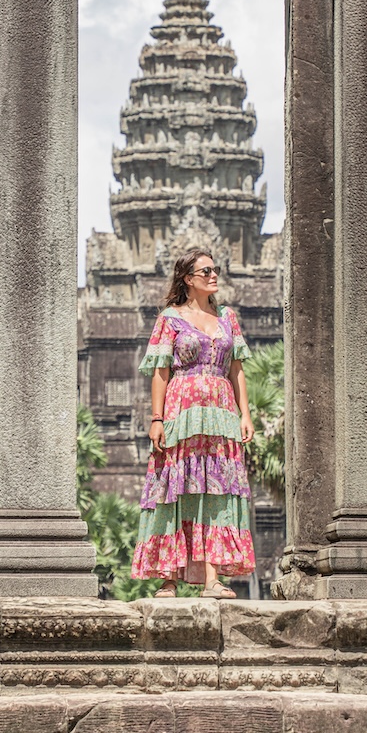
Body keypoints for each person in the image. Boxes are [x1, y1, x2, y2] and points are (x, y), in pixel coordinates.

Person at [131, 246, 256, 598]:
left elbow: (237, 368)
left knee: (217, 489)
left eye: (215, 270)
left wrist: (245, 414)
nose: (214, 275)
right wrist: (156, 418)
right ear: (188, 279)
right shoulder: (170, 319)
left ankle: (213, 580)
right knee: (174, 485)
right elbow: (160, 371)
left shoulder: (228, 319)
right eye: (206, 271)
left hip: (220, 412)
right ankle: (168, 578)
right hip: (181, 410)